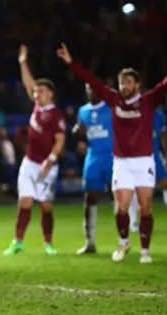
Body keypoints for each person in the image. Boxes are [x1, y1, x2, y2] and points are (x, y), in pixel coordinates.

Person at [58, 42, 167, 263]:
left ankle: (145, 250)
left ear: (138, 85)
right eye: (122, 82)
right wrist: (71, 63)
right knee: (120, 207)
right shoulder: (113, 100)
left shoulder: (148, 101)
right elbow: (92, 81)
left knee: (145, 207)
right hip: (121, 162)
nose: (124, 85)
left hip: (143, 161)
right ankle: (123, 242)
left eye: (129, 82)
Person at [5, 45, 66, 256]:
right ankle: (17, 241)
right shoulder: (37, 107)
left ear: (51, 94)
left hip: (46, 165)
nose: (36, 93)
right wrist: (23, 62)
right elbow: (28, 83)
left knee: (46, 205)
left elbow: (60, 141)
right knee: (25, 201)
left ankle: (48, 243)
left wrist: (50, 160)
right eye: (36, 91)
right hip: (29, 163)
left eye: (41, 91)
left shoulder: (56, 115)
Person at [74, 84, 114, 254]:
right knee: (90, 198)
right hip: (93, 158)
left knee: (118, 197)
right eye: (88, 89)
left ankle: (123, 240)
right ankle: (89, 242)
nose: (91, 91)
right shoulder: (83, 111)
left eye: (94, 88)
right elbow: (80, 130)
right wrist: (78, 135)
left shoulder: (111, 108)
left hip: (113, 157)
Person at [128, 109, 167, 231]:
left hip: (153, 155)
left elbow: (163, 135)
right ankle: (133, 221)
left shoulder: (158, 114)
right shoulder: (132, 113)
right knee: (134, 187)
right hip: (137, 155)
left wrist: (166, 154)